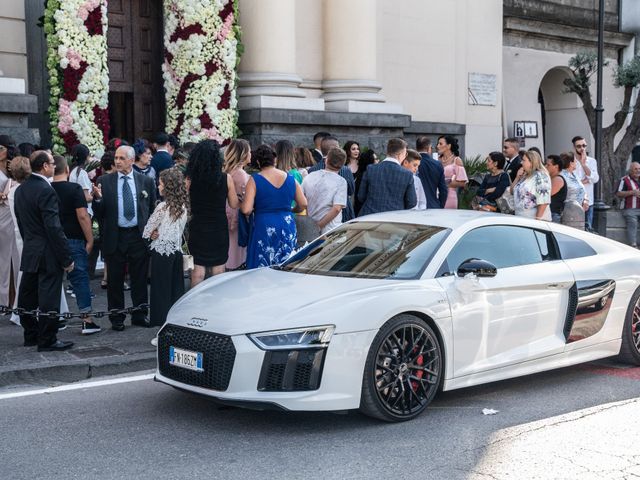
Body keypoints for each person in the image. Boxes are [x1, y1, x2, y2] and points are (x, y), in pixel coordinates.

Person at [14, 151, 74, 351]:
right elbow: (54, 228)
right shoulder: (45, 190)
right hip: (47, 251)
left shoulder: (21, 189)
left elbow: (23, 225)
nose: (54, 166)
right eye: (51, 162)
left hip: (31, 248)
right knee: (48, 296)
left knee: (28, 295)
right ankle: (47, 339)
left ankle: (30, 334)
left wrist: (31, 242)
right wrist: (66, 258)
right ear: (44, 166)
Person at [92, 145, 157, 331]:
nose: (117, 161)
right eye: (116, 158)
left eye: (121, 158)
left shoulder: (145, 181)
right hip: (116, 235)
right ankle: (117, 317)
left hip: (138, 235)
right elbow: (99, 213)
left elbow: (152, 208)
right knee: (115, 279)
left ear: (131, 160)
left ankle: (139, 314)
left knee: (139, 278)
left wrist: (152, 230)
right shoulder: (105, 180)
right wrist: (98, 200)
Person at [51, 155, 99, 334]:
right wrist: (90, 239)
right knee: (80, 279)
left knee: (53, 280)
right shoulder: (74, 188)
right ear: (67, 170)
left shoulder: (46, 188)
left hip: (53, 240)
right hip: (74, 238)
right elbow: (82, 215)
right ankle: (87, 319)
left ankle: (55, 319)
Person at [241, 144, 307, 269]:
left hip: (264, 224)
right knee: (285, 262)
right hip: (286, 222)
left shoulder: (255, 180)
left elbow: (246, 209)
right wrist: (291, 210)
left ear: (259, 162)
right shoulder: (291, 178)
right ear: (275, 160)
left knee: (262, 262)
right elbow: (303, 203)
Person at [186, 140, 239, 286]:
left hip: (197, 227)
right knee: (218, 270)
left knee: (197, 272)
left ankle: (193, 306)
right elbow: (234, 204)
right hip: (218, 228)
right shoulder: (225, 178)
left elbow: (187, 203)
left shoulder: (190, 179)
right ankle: (216, 305)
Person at [143, 168, 188, 326]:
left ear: (168, 186)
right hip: (175, 253)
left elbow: (147, 231)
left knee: (160, 292)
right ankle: (174, 323)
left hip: (161, 253)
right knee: (175, 291)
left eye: (160, 184)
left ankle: (160, 324)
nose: (158, 186)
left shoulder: (162, 207)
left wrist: (153, 232)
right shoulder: (182, 207)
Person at [357, 138, 417, 216]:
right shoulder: (407, 174)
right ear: (400, 155)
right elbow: (411, 202)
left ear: (387, 151)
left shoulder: (371, 169)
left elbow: (361, 196)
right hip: (394, 217)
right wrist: (398, 206)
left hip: (369, 216)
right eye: (405, 154)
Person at [308, 136, 355, 221]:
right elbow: (351, 191)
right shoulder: (345, 170)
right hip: (342, 214)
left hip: (317, 214)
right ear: (334, 149)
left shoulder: (312, 170)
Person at [302, 147, 348, 234]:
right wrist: (319, 226)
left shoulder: (310, 176)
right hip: (331, 229)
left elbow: (302, 201)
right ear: (342, 165)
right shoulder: (341, 181)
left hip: (311, 225)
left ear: (326, 160)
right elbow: (337, 208)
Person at [223, 139, 251, 270]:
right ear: (244, 154)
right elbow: (244, 200)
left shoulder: (229, 171)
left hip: (228, 210)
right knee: (236, 253)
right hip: (236, 214)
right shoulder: (240, 174)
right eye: (249, 151)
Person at [0, 134, 17, 311]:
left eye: (1, 148)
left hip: (15, 216)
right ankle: (3, 300)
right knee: (3, 260)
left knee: (16, 259)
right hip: (1, 215)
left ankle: (15, 300)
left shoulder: (14, 167)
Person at [510, 149, 551, 221]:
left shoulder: (541, 175)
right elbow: (512, 192)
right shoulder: (525, 175)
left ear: (531, 162)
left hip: (533, 220)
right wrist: (517, 177)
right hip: (521, 218)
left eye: (524, 160)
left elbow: (544, 200)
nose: (521, 162)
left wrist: (537, 220)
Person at [572, 136, 599, 231]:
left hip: (588, 202)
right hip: (574, 201)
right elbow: (573, 181)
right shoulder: (571, 162)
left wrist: (584, 165)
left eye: (584, 145)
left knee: (587, 229)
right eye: (579, 146)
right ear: (574, 148)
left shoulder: (591, 161)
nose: (582, 148)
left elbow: (595, 179)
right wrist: (586, 180)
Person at [416, 136, 447, 209]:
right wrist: (440, 206)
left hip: (415, 206)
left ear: (416, 148)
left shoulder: (410, 163)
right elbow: (443, 190)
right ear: (428, 148)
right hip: (433, 205)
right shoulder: (437, 164)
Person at [437, 135, 467, 209]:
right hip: (436, 195)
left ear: (448, 146)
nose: (437, 146)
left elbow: (463, 182)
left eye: (440, 144)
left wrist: (445, 184)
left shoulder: (457, 160)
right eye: (438, 144)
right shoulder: (436, 160)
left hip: (450, 196)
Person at [560, 152, 588, 229]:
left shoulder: (574, 174)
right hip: (568, 213)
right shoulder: (561, 176)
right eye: (575, 160)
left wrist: (585, 199)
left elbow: (581, 188)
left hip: (578, 212)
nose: (576, 162)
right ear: (571, 163)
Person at [616, 162, 640, 248]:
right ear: (630, 170)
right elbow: (618, 193)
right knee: (633, 222)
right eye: (635, 169)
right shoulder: (624, 180)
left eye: (639, 169)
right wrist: (632, 192)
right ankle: (633, 244)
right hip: (629, 209)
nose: (638, 171)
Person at [353, 149, 378, 216]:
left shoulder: (362, 174)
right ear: (369, 161)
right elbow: (361, 197)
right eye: (375, 159)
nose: (378, 161)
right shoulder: (364, 176)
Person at [546, 155, 567, 224]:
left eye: (548, 165)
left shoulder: (558, 179)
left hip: (554, 214)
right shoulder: (551, 178)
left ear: (556, 166)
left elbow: (547, 194)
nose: (546, 167)